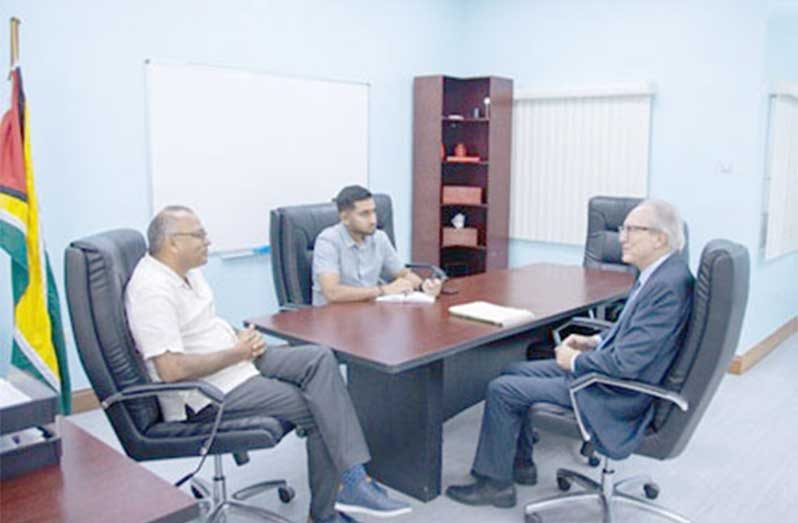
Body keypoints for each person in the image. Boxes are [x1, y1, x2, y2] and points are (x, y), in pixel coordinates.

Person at [125, 206, 412, 523]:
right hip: (210, 391)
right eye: (199, 235)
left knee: (319, 356)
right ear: (172, 243)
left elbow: (201, 328)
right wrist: (238, 352)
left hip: (234, 359)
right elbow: (171, 370)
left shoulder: (187, 272)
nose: (208, 241)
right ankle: (331, 507)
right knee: (320, 408)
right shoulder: (152, 290)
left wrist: (241, 338)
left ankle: (352, 479)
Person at [445, 199, 694, 508]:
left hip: (615, 391)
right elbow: (636, 336)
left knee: (502, 389)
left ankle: (495, 485)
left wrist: (574, 360)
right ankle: (519, 465)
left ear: (660, 238)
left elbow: (628, 362)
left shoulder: (667, 286)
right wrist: (595, 341)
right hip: (611, 373)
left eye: (632, 230)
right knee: (513, 371)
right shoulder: (662, 274)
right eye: (622, 229)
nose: (621, 237)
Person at [312, 185, 442, 306]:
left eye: (373, 212)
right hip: (331, 319)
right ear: (345, 218)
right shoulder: (328, 241)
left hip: (368, 314)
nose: (373, 220)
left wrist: (423, 286)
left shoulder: (379, 238)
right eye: (365, 214)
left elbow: (403, 274)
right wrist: (383, 290)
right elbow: (332, 293)